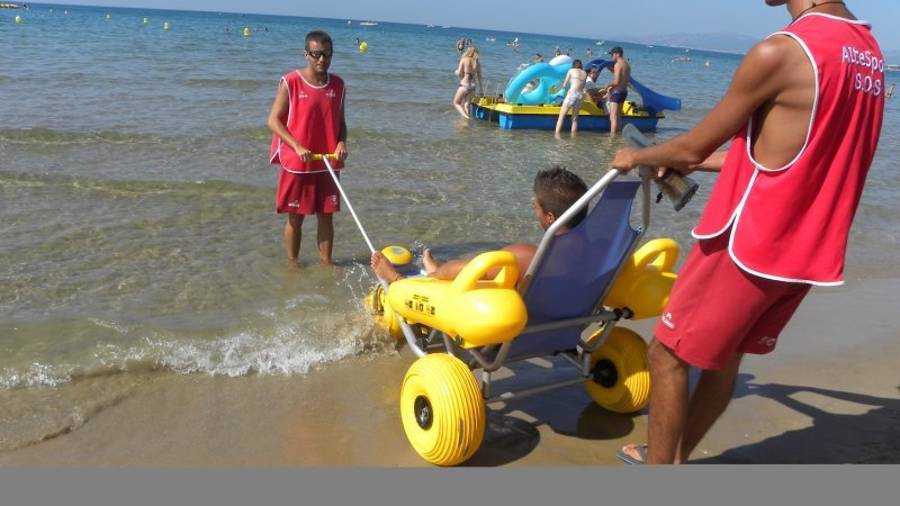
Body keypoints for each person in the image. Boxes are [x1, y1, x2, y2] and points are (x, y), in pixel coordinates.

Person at [611, 0, 884, 465]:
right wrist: (677, 159)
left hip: (748, 242)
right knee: (725, 358)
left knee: (666, 355)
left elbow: (695, 146)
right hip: (808, 251)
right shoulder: (869, 53)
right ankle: (672, 460)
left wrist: (638, 156)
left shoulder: (780, 51)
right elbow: (785, 153)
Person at [371, 167, 588, 285]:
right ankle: (433, 270)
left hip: (520, 330)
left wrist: (438, 273)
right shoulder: (596, 253)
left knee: (468, 272)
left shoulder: (528, 257)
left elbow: (465, 271)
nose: (534, 208)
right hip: (561, 327)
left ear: (550, 217)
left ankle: (400, 281)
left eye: (536, 206)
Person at [268, 30, 348, 266]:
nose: (322, 59)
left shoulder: (339, 85)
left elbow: (341, 124)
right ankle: (293, 266)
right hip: (298, 162)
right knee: (296, 218)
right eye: (316, 54)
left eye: (327, 54)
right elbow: (273, 120)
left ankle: (326, 266)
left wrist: (342, 141)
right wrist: (297, 145)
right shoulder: (291, 81)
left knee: (327, 217)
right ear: (306, 55)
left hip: (327, 160)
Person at [555, 59, 588, 134]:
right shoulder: (585, 73)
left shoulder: (571, 70)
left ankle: (556, 135)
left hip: (572, 93)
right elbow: (582, 86)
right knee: (575, 119)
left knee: (561, 116)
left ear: (573, 65)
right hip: (580, 95)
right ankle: (573, 138)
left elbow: (564, 85)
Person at [604, 46, 631, 134]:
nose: (611, 56)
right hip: (624, 92)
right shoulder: (627, 64)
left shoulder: (617, 64)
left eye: (612, 54)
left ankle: (612, 137)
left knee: (613, 116)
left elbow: (616, 82)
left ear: (617, 54)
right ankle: (618, 135)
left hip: (617, 92)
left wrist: (608, 85)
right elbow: (624, 78)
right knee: (619, 116)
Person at [453, 46, 483, 119]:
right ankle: (466, 122)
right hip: (473, 86)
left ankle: (466, 117)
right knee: (466, 105)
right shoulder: (478, 64)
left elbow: (459, 73)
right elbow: (480, 78)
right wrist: (481, 90)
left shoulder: (464, 59)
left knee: (456, 103)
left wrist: (456, 72)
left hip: (464, 85)